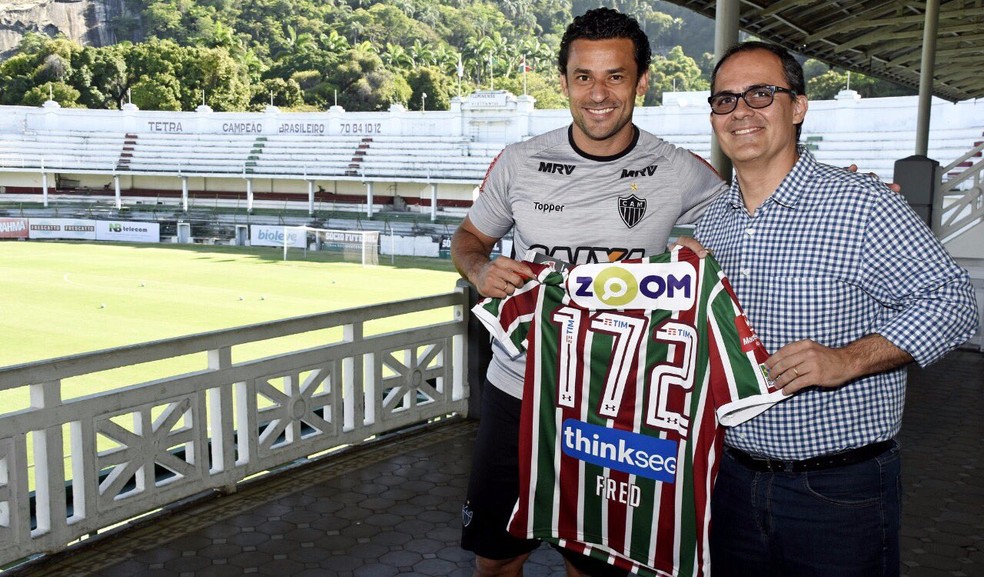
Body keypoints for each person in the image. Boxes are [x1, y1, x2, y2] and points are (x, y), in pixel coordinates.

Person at [451, 7, 727, 577]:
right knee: (497, 560)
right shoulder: (520, 162)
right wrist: (479, 270)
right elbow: (469, 238)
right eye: (584, 77)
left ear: (642, 82)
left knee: (593, 562)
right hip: (518, 391)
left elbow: (752, 220)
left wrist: (832, 191)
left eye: (615, 76)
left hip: (614, 404)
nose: (598, 94)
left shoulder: (677, 169)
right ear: (564, 82)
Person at [692, 41, 979, 577]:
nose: (741, 111)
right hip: (731, 481)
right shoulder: (711, 224)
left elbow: (953, 301)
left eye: (761, 94)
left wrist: (847, 360)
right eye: (725, 100)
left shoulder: (864, 204)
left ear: (798, 107)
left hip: (838, 491)